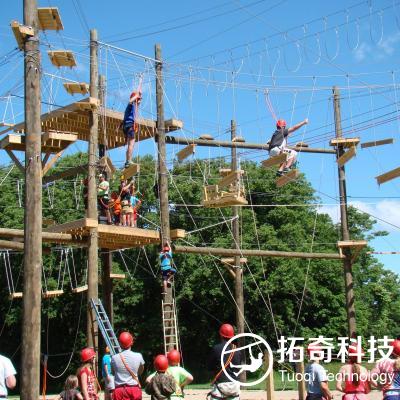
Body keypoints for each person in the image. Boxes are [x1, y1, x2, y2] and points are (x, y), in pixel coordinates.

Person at [208, 323, 241, 400]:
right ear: (232, 336)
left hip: (220, 385)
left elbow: (209, 367)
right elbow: (237, 369)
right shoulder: (237, 350)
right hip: (234, 386)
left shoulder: (216, 349)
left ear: (221, 335)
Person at [111, 331, 145, 400]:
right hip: (134, 390)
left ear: (120, 344)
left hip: (119, 391)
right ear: (131, 342)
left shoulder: (114, 358)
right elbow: (141, 371)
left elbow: (113, 372)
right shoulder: (138, 356)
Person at [122, 91, 142, 168]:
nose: (139, 101)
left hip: (127, 126)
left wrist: (139, 95)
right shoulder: (130, 105)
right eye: (138, 99)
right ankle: (129, 161)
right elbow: (130, 101)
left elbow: (137, 103)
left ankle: (127, 161)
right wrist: (136, 96)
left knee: (130, 145)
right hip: (129, 126)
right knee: (131, 144)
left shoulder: (134, 107)